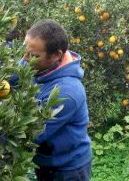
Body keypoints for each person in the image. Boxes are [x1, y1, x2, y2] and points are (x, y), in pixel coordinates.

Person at [21, 19, 92, 181]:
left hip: (68, 169)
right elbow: (12, 76)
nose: (25, 59)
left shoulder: (67, 92)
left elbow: (32, 133)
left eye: (33, 56)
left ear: (56, 55)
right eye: (25, 51)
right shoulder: (36, 62)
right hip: (45, 161)